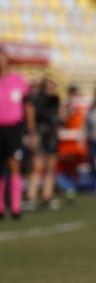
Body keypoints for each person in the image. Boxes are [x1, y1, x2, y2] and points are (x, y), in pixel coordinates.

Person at [0, 48, 35, 219]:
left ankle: (15, 207)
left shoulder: (19, 81)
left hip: (14, 129)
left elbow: (28, 107)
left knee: (15, 166)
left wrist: (31, 132)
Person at [27, 77, 64, 210]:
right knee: (37, 166)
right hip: (39, 132)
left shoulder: (56, 99)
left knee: (50, 167)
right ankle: (31, 197)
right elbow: (31, 118)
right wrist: (32, 135)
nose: (50, 89)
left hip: (51, 134)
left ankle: (47, 197)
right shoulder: (36, 100)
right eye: (47, 86)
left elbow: (61, 117)